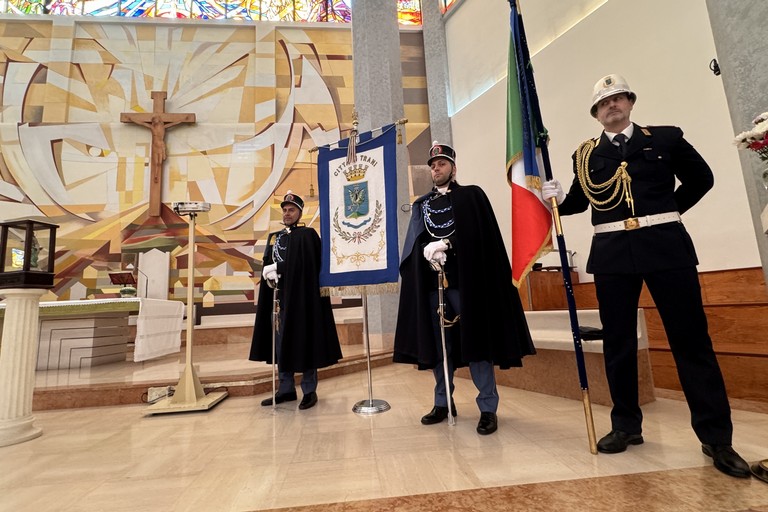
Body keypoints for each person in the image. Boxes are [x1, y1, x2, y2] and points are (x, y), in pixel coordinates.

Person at [541, 74, 751, 478]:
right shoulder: (584, 155)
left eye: (618, 99)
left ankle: (716, 438)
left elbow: (702, 179)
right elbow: (579, 205)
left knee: (690, 340)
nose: (612, 106)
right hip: (613, 254)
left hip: (666, 247)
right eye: (604, 103)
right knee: (618, 343)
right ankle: (625, 426)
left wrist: (664, 214)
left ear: (630, 102)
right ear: (596, 113)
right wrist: (553, 198)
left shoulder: (666, 138)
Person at [394, 142, 535, 435]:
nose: (437, 169)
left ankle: (487, 407)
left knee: (477, 344)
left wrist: (449, 244)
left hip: (468, 284)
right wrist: (425, 252)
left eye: (442, 164)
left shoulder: (471, 196)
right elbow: (414, 243)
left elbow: (479, 238)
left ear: (453, 168)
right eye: (433, 165)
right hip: (433, 285)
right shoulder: (423, 205)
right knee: (439, 347)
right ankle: (443, 402)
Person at [249, 191, 342, 410]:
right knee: (281, 345)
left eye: (291, 210)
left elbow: (307, 266)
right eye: (285, 210)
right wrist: (268, 272)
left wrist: (279, 268)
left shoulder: (308, 235)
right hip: (280, 300)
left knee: (305, 341)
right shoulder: (276, 237)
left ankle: (309, 390)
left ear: (300, 212)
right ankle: (286, 388)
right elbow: (268, 263)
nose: (287, 213)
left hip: (303, 301)